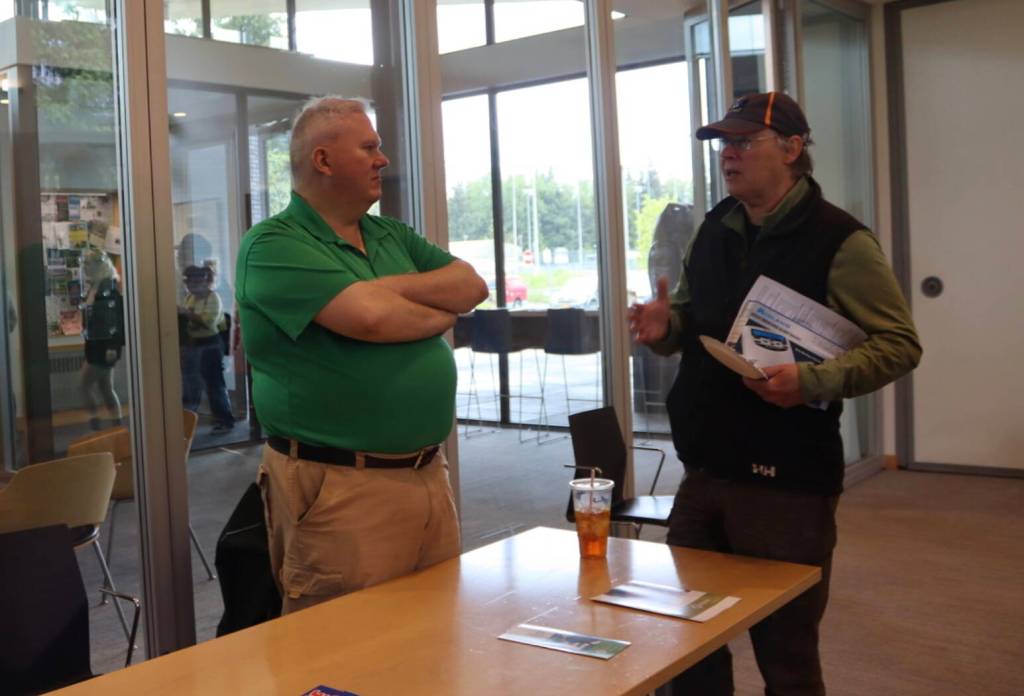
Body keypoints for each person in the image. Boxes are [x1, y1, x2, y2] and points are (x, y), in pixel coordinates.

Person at [628, 92, 921, 696]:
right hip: (705, 470)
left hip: (788, 483)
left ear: (792, 149)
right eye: (722, 145)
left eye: (743, 143)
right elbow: (693, 318)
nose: (728, 156)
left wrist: (813, 381)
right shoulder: (715, 227)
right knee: (688, 646)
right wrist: (667, 327)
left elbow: (899, 344)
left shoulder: (841, 240)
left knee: (786, 658)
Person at [236, 96, 487, 614]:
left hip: (426, 475)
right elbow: (373, 319)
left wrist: (377, 288)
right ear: (323, 161)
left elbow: (470, 286)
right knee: (346, 661)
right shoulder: (273, 244)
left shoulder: (388, 233)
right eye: (369, 147)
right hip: (341, 490)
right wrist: (428, 308)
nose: (383, 159)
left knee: (434, 642)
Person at [179, 264, 235, 432]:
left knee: (214, 384)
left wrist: (186, 314)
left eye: (194, 283)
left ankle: (224, 420)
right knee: (190, 384)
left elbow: (209, 322)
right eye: (189, 283)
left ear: (204, 282)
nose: (191, 286)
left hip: (210, 344)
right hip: (193, 344)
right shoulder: (191, 298)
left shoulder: (213, 298)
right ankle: (187, 421)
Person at [80, 249, 125, 431]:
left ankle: (95, 420)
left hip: (104, 346)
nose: (85, 268)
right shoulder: (97, 286)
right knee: (106, 388)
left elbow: (115, 319)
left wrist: (112, 347)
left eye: (88, 264)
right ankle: (117, 424)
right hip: (97, 344)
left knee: (84, 385)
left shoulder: (109, 287)